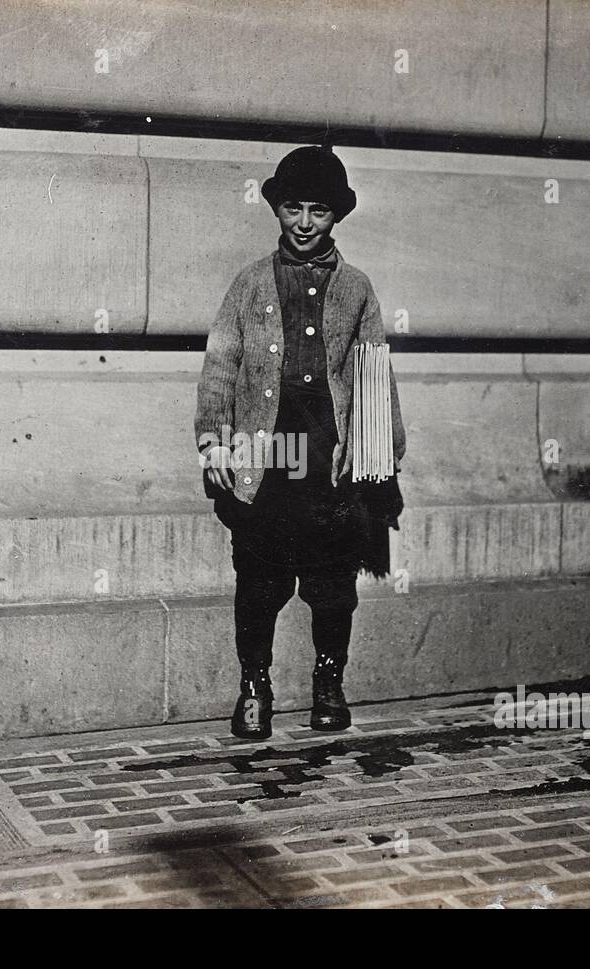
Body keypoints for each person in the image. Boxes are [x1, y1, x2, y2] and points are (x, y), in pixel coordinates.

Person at [194, 145, 405, 740]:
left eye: (318, 210)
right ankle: (254, 687)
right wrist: (214, 440)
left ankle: (328, 682)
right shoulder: (249, 283)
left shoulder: (357, 289)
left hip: (327, 455)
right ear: (277, 210)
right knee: (259, 580)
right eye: (293, 208)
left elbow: (371, 375)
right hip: (266, 452)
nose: (305, 223)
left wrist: (373, 464)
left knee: (333, 584)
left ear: (336, 215)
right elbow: (220, 366)